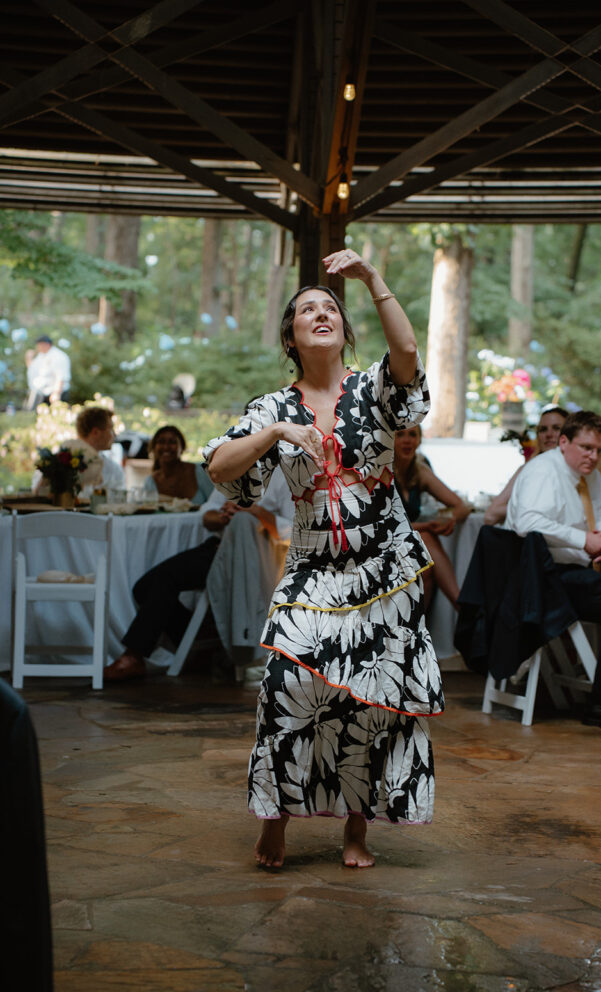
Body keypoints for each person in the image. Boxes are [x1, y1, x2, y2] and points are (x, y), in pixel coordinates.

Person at [204, 248, 442, 870]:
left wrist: (369, 279)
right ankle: (275, 817)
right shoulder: (272, 408)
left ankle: (357, 832)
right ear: (291, 334)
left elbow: (410, 356)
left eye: (330, 307)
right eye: (307, 309)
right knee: (285, 688)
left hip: (385, 566)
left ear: (344, 329)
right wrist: (277, 434)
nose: (320, 313)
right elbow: (220, 468)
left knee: (372, 701)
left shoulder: (375, 389)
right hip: (312, 567)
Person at [505, 410, 601, 728]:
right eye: (586, 448)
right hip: (542, 578)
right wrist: (584, 540)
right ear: (564, 442)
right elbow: (528, 522)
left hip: (572, 571)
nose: (594, 457)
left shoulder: (588, 472)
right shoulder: (543, 471)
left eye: (599, 450)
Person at [103, 468, 293, 681]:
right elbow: (206, 513)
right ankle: (203, 642)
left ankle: (133, 656)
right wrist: (222, 515)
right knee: (144, 587)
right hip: (218, 546)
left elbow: (291, 529)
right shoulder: (238, 467)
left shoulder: (284, 474)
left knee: (165, 579)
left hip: (257, 557)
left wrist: (257, 514)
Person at [394, 424, 471, 610]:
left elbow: (462, 506)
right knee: (426, 539)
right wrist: (427, 526)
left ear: (419, 440)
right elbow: (386, 526)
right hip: (384, 541)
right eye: (400, 434)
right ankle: (459, 603)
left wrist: (450, 520)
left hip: (411, 542)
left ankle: (421, 628)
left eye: (412, 434)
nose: (407, 440)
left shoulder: (419, 471)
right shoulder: (382, 473)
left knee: (425, 568)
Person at [484, 405, 569, 526]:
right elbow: (490, 515)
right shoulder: (528, 469)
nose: (549, 434)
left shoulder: (579, 472)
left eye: (556, 428)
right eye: (543, 429)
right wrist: (529, 509)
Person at [32, 405, 125, 496]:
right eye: (111, 429)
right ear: (95, 432)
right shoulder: (55, 463)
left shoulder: (112, 468)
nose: (115, 435)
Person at [142, 424, 215, 504]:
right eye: (161, 442)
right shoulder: (150, 482)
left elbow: (217, 504)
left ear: (182, 447)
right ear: (154, 447)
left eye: (172, 442)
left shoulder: (200, 472)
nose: (166, 447)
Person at [25, 335, 71, 409]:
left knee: (57, 415)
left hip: (54, 393)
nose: (38, 347)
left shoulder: (58, 356)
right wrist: (28, 358)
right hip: (42, 393)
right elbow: (32, 369)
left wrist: (56, 393)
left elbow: (61, 376)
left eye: (39, 345)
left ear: (47, 344)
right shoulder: (41, 355)